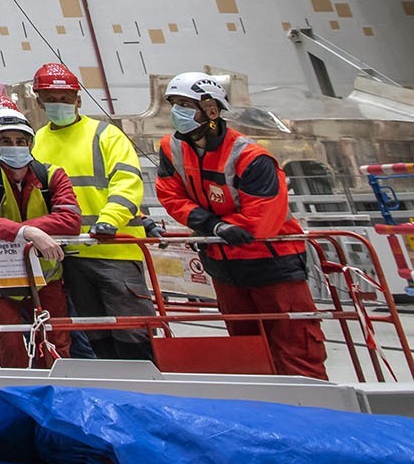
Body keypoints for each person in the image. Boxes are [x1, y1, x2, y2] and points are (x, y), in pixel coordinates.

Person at [155, 72, 327, 380]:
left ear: (211, 110)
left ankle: (314, 413)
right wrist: (212, 225)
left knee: (295, 348)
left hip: (272, 263)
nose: (177, 112)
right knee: (247, 350)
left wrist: (219, 229)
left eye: (185, 104)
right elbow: (170, 195)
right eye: (174, 104)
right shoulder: (171, 149)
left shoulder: (251, 157)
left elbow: (261, 218)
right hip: (223, 265)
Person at [27, 62, 156, 361]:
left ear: (78, 99)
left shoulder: (105, 135)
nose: (58, 104)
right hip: (69, 257)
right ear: (38, 101)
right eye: (51, 98)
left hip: (115, 252)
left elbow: (127, 181)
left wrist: (110, 221)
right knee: (95, 333)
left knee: (133, 332)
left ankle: (146, 391)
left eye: (65, 98)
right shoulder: (36, 142)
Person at [0, 109, 81, 369]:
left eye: (21, 141)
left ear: (30, 143)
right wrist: (30, 233)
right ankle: (17, 395)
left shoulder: (52, 175)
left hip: (45, 275)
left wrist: (21, 229)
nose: (15, 147)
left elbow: (71, 220)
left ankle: (58, 395)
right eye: (7, 141)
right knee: (12, 343)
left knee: (56, 342)